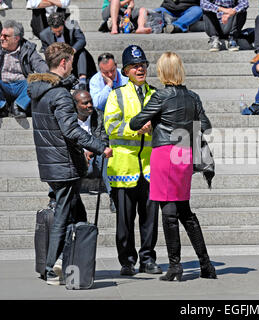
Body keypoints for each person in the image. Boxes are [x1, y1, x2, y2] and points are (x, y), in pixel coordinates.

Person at [27, 42, 113, 285]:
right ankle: (51, 266)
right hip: (63, 164)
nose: (73, 68)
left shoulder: (39, 91)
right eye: (72, 63)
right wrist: (99, 146)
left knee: (75, 212)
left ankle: (66, 262)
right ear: (63, 63)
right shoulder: (60, 94)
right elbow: (71, 130)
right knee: (64, 215)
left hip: (50, 163)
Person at [129, 52, 217, 282]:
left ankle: (176, 267)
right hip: (184, 152)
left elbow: (135, 122)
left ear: (163, 72)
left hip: (165, 153)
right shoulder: (193, 96)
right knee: (184, 210)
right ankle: (206, 264)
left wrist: (152, 122)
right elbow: (205, 126)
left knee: (168, 212)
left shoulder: (161, 95)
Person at [103, 45, 161, 276]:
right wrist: (134, 129)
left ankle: (148, 259)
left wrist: (153, 127)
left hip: (150, 167)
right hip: (124, 167)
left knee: (150, 220)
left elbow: (164, 125)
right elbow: (110, 125)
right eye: (135, 66)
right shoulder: (116, 94)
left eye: (143, 65)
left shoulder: (155, 94)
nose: (140, 69)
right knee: (124, 222)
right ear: (126, 71)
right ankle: (127, 261)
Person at [73, 90, 116, 213]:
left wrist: (91, 152)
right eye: (85, 103)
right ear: (75, 105)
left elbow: (104, 140)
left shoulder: (99, 115)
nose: (90, 105)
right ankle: (54, 198)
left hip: (95, 159)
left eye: (90, 101)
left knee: (105, 156)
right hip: (77, 159)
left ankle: (113, 196)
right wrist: (80, 154)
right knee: (59, 160)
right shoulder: (68, 118)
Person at [0, 20, 49, 118]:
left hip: (22, 87)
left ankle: (18, 106)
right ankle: (2, 107)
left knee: (38, 80)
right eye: (1, 35)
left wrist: (51, 74)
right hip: (3, 86)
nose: (1, 38)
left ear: (16, 38)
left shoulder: (28, 49)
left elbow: (40, 64)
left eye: (6, 36)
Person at [39, 12, 96, 89]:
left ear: (64, 24)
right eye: (54, 32)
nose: (57, 34)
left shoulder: (72, 25)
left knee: (81, 51)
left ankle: (82, 79)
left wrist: (71, 51)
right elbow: (47, 52)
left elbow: (81, 40)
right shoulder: (44, 34)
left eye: (59, 31)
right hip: (59, 59)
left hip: (75, 56)